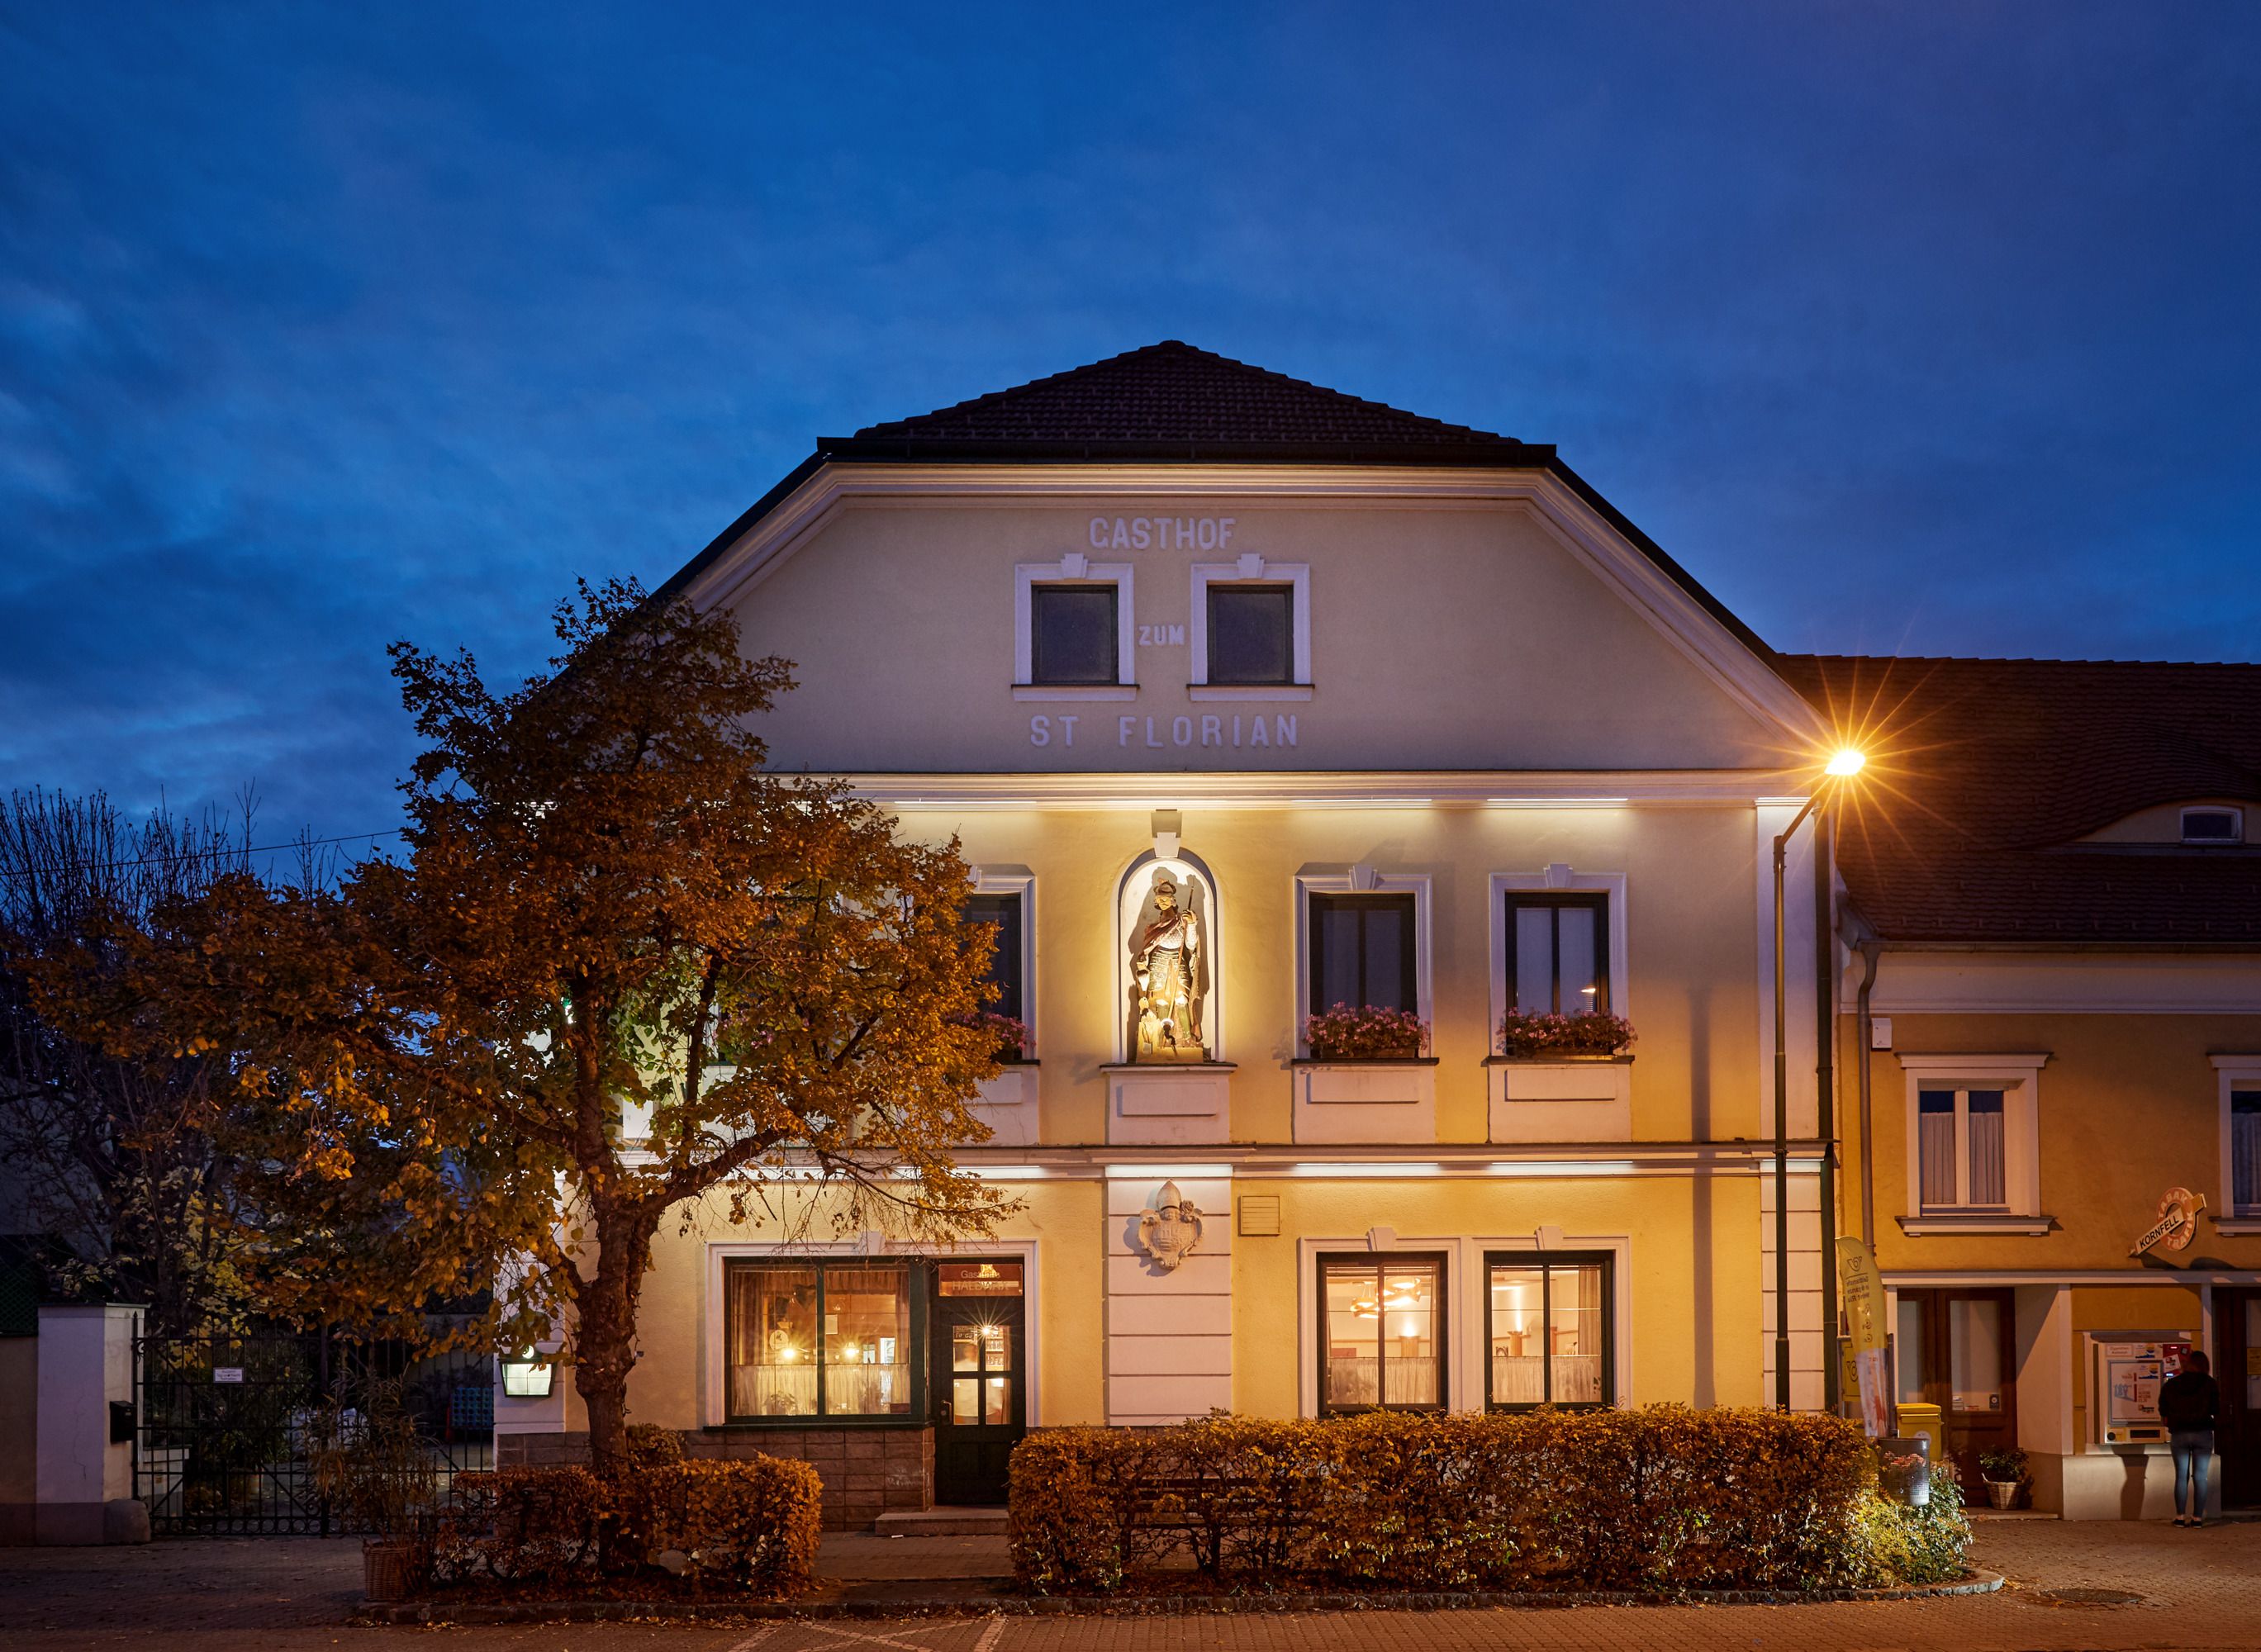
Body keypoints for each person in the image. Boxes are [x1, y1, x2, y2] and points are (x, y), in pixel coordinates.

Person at [2159, 1348, 2221, 1527]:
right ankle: (2197, 1519)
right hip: (2202, 1433)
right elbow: (2215, 1409)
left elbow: (2163, 1408)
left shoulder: (2172, 1384)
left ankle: (2179, 1516)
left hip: (2179, 1433)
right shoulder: (2209, 1384)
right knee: (2200, 1477)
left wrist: (2171, 1419)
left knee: (2181, 1476)